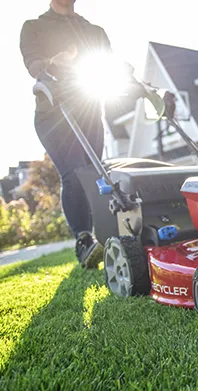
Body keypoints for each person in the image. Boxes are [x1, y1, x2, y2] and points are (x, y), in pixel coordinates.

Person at [19, 0, 113, 268]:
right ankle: (84, 241)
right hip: (53, 113)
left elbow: (112, 66)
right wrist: (51, 62)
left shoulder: (93, 31)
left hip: (89, 110)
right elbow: (33, 63)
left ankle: (106, 237)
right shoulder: (34, 27)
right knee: (73, 174)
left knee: (95, 174)